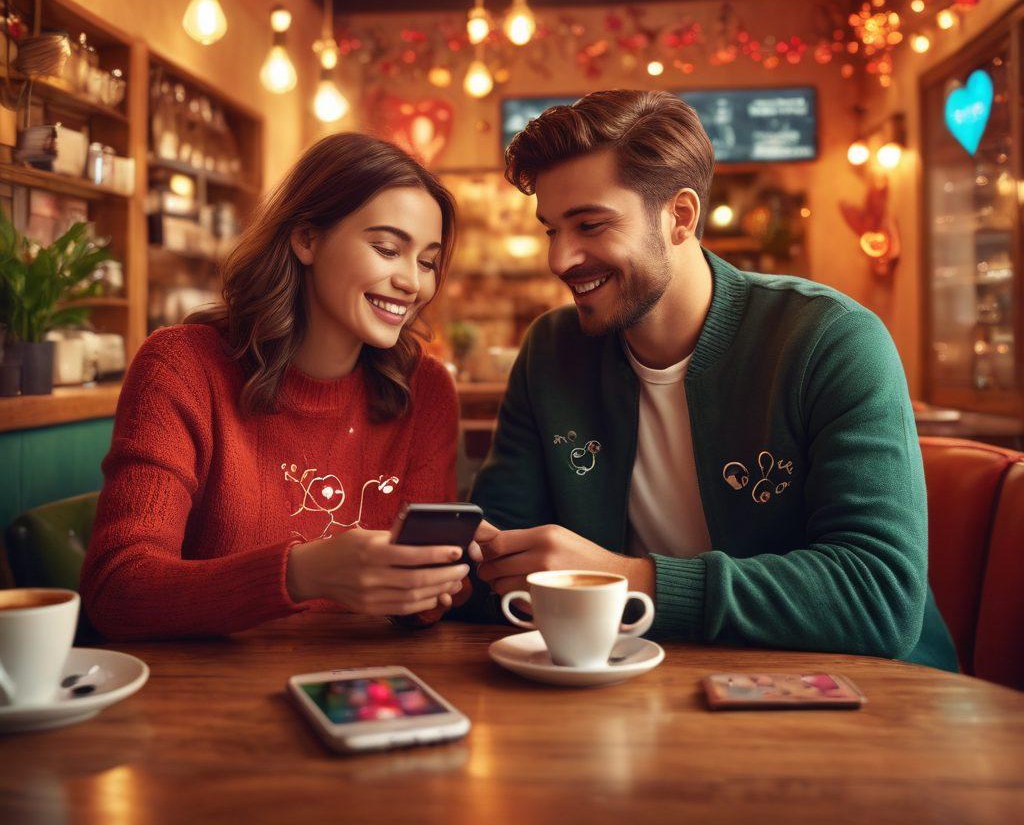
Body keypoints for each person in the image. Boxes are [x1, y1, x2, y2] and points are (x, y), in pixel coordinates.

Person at [466, 90, 957, 670]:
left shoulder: (831, 340)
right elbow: (498, 563)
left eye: (590, 225)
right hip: (641, 686)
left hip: (869, 697)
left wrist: (628, 581)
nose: (560, 259)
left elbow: (878, 597)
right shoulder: (552, 352)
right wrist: (433, 584)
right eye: (552, 230)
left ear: (680, 216)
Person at [81, 133, 472, 640]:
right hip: (207, 700)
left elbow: (420, 610)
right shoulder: (182, 366)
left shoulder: (426, 390)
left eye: (426, 261)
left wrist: (439, 583)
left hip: (370, 693)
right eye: (387, 249)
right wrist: (299, 574)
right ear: (306, 239)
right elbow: (117, 588)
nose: (412, 283)